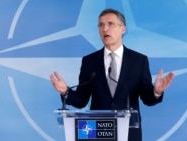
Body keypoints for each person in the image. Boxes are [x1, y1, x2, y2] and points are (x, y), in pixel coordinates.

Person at [50, 8, 174, 141]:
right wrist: (65, 91)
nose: (105, 29)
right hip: (97, 132)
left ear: (122, 29)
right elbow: (81, 100)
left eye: (110, 24)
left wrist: (156, 92)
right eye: (101, 25)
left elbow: (147, 99)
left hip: (129, 133)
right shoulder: (89, 61)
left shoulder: (139, 61)